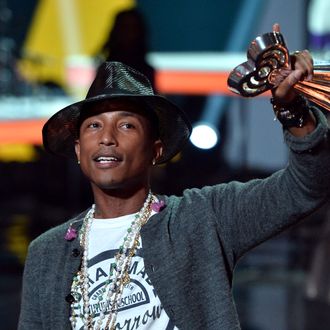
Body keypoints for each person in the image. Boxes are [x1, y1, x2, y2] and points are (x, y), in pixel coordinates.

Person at [18, 24, 330, 330]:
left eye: (126, 125)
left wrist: (293, 109)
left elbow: (306, 187)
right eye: (93, 126)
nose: (107, 138)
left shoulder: (202, 219)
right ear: (78, 149)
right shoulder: (47, 253)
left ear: (156, 149)